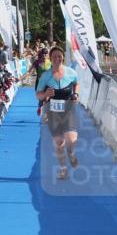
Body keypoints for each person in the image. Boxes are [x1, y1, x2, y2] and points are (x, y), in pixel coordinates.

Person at [35, 46, 80, 180]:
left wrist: (76, 94)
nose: (57, 59)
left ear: (62, 57)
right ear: (50, 58)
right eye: (54, 56)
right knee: (59, 142)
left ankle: (71, 154)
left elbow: (76, 84)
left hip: (68, 110)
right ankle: (63, 168)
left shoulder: (71, 72)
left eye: (59, 56)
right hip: (53, 112)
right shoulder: (45, 76)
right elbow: (38, 95)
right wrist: (45, 94)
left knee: (71, 139)